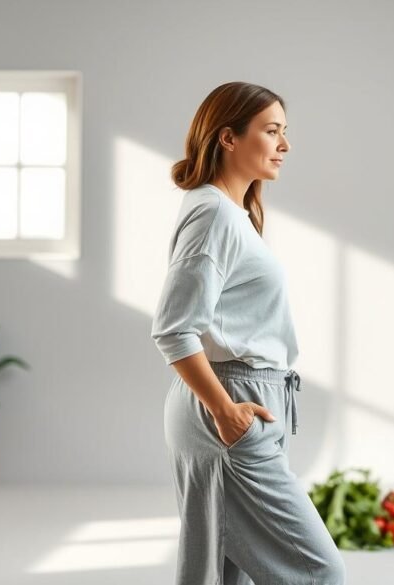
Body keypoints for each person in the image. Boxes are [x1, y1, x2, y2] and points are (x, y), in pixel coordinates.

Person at [151, 81, 346, 585]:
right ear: (228, 138)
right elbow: (174, 330)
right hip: (230, 405)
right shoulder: (214, 213)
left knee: (219, 573)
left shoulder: (231, 214)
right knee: (320, 573)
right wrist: (225, 411)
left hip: (245, 401)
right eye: (272, 131)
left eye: (285, 132)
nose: (285, 145)